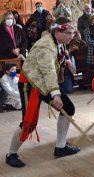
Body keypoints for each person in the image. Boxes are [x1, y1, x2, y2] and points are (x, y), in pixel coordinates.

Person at [5, 17, 81, 168]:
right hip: (30, 84)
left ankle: (60, 147)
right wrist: (56, 95)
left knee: (68, 109)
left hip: (44, 83)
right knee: (29, 123)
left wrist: (67, 61)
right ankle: (11, 154)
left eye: (73, 33)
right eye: (69, 33)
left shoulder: (58, 42)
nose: (71, 36)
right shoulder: (45, 46)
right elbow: (48, 72)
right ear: (58, 31)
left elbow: (53, 68)